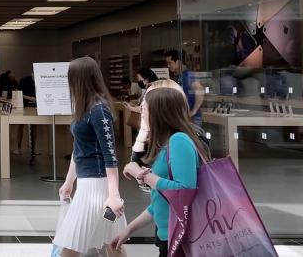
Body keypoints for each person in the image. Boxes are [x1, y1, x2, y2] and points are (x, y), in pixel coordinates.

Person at [112, 82, 209, 257]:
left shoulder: (179, 141)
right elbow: (161, 203)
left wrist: (140, 173)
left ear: (159, 113)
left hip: (182, 240)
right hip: (170, 238)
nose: (141, 114)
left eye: (144, 109)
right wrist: (128, 230)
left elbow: (184, 191)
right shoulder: (167, 144)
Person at [54, 56, 126, 257]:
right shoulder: (86, 107)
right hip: (90, 184)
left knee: (74, 241)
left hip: (97, 188)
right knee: (112, 243)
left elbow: (109, 155)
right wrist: (69, 182)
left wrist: (113, 194)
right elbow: (79, 149)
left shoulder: (98, 109)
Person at [164, 49, 204, 126]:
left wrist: (193, 111)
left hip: (192, 119)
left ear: (178, 62)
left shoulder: (187, 75)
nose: (168, 66)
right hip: (185, 118)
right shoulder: (180, 77)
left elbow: (200, 90)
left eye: (170, 63)